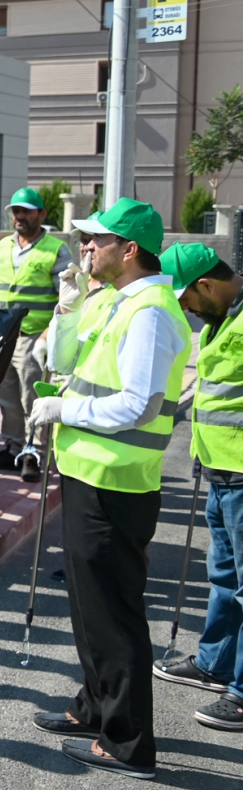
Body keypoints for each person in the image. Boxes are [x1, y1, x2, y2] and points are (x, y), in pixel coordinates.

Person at [28, 199, 190, 778]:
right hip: (89, 474)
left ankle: (127, 742)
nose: (85, 247)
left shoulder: (148, 309)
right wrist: (69, 304)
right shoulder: (116, 300)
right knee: (88, 608)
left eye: (96, 240)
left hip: (116, 481)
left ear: (130, 249)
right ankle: (94, 708)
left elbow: (137, 404)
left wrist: (63, 407)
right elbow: (65, 354)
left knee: (113, 615)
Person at [155, 242, 243, 732]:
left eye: (186, 300)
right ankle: (216, 663)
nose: (185, 310)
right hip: (221, 471)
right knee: (225, 577)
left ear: (205, 285)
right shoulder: (222, 320)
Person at [0, 187, 73, 482]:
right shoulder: (2, 246)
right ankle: (13, 449)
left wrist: (49, 333)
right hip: (3, 336)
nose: (20, 216)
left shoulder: (56, 249)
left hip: (35, 336)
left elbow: (68, 298)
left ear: (42, 214)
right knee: (6, 395)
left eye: (26, 211)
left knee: (31, 399)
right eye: (16, 211)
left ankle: (34, 453)